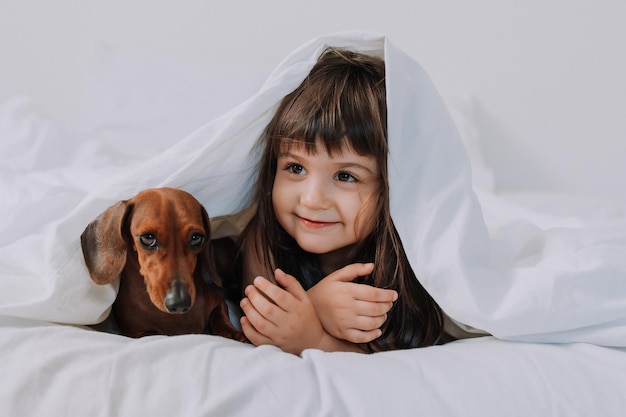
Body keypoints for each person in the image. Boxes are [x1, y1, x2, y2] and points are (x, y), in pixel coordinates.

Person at [237, 47, 444, 355]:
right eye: (295, 168)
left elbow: (401, 358)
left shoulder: (411, 262)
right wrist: (315, 307)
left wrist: (317, 340)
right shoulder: (264, 240)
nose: (312, 199)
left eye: (346, 176)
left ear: (393, 188)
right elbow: (264, 322)